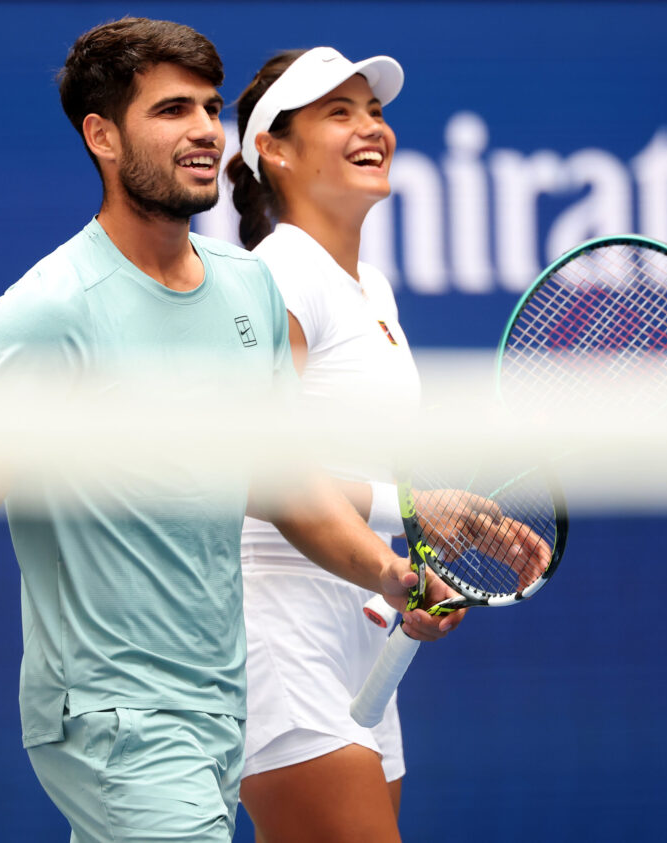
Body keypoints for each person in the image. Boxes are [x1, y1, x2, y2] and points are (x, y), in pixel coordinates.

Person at [0, 19, 461, 843]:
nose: (201, 130)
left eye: (209, 106)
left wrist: (386, 572)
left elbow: (274, 477)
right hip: (112, 714)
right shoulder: (47, 313)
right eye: (170, 111)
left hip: (220, 705)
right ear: (102, 137)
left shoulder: (244, 288)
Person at [223, 47, 441, 842]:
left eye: (374, 111)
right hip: (277, 630)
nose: (371, 127)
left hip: (360, 620)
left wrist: (442, 529)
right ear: (273, 150)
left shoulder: (370, 287)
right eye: (338, 112)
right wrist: (413, 511)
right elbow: (259, 471)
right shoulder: (278, 271)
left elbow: (366, 468)